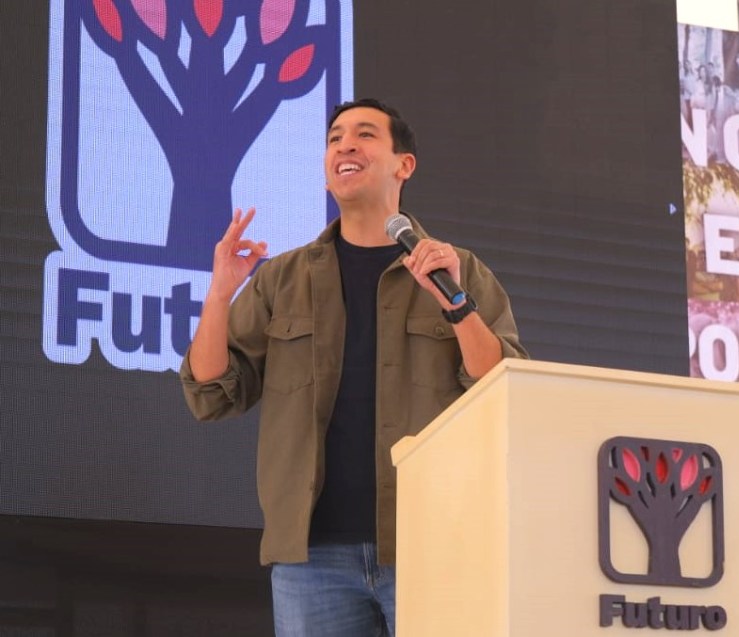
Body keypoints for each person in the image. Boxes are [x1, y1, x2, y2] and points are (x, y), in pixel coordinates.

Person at [179, 98, 528, 636]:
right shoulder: (283, 278)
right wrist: (221, 292)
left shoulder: (457, 269)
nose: (345, 145)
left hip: (434, 542)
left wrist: (456, 305)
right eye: (335, 138)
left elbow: (503, 392)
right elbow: (211, 393)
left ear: (403, 165)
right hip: (312, 557)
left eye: (365, 135)